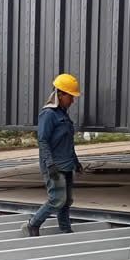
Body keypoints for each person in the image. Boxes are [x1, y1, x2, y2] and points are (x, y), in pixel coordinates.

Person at [22, 73, 83, 237]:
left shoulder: (63, 114)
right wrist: (50, 164)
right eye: (70, 96)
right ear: (60, 94)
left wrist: (75, 161)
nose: (72, 100)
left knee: (67, 201)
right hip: (54, 165)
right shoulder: (48, 114)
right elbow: (43, 141)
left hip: (66, 164)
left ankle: (65, 229)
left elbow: (67, 142)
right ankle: (33, 224)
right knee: (57, 199)